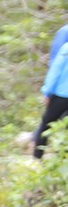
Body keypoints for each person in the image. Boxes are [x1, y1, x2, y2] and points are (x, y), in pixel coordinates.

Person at [36, 19, 68, 159]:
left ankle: (37, 156)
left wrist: (47, 92)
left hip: (60, 95)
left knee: (46, 125)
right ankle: (63, 157)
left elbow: (55, 72)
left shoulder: (66, 49)